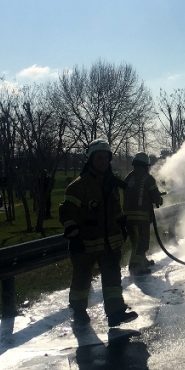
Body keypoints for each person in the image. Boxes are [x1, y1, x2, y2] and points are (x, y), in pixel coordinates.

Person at [59, 139, 137, 326]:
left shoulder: (111, 183)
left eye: (106, 158)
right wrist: (73, 235)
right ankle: (78, 310)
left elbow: (115, 209)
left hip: (109, 244)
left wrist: (121, 223)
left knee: (112, 280)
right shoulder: (79, 185)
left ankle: (115, 313)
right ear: (90, 159)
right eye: (99, 158)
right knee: (82, 279)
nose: (103, 161)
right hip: (85, 244)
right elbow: (66, 212)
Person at [122, 152, 164, 275]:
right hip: (141, 217)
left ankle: (142, 261)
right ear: (146, 165)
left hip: (127, 217)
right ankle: (135, 267)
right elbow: (156, 198)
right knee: (142, 242)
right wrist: (159, 199)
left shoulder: (129, 177)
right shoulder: (148, 178)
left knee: (136, 241)